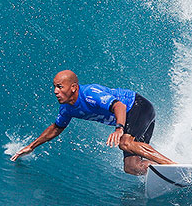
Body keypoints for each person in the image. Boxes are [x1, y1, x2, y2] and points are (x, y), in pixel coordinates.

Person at [11, 69, 177, 175]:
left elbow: (118, 105)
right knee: (132, 167)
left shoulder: (90, 93)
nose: (55, 91)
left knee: (125, 143)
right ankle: (166, 172)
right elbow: (56, 128)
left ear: (74, 87)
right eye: (54, 87)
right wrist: (31, 146)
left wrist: (119, 129)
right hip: (130, 120)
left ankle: (174, 165)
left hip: (137, 107)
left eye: (60, 87)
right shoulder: (67, 109)